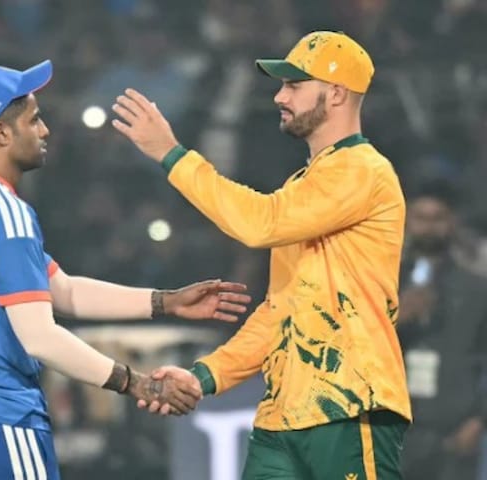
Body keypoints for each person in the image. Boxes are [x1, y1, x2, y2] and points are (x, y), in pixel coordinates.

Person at [0, 59, 252, 480]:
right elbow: (40, 337)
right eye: (33, 120)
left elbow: (61, 289)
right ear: (2, 132)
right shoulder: (5, 212)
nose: (45, 131)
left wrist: (165, 302)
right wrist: (135, 382)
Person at [113, 30, 412, 479]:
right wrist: (204, 376)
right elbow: (282, 311)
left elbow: (260, 224)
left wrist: (172, 155)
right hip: (282, 417)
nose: (279, 96)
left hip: (350, 403)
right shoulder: (303, 186)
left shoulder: (363, 170)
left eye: (294, 84)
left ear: (335, 93)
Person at [397, 180, 487, 480]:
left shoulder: (476, 290)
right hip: (392, 432)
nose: (429, 227)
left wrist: (479, 419)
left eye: (438, 218)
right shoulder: (381, 286)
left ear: (452, 223)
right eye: (421, 218)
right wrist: (394, 320)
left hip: (454, 434)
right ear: (407, 221)